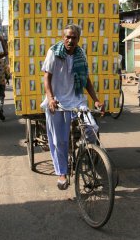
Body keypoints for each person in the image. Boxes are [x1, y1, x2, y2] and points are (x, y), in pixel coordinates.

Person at [41, 24, 104, 190]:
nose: (70, 40)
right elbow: (46, 78)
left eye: (74, 37)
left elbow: (86, 79)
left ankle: (85, 152)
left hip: (77, 100)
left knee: (91, 127)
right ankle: (61, 173)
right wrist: (50, 98)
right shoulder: (53, 53)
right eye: (67, 37)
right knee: (59, 140)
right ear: (63, 37)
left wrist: (95, 100)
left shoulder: (80, 54)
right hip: (58, 101)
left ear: (78, 39)